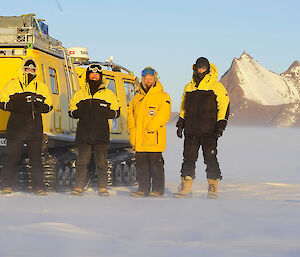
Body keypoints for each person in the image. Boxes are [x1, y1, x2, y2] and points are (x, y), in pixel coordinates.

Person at [173, 57, 230, 199]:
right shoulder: (189, 87)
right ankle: (186, 188)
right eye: (198, 68)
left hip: (209, 131)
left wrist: (220, 126)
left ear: (208, 69)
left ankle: (212, 188)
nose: (201, 70)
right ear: (195, 68)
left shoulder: (216, 86)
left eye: (203, 68)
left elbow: (224, 106)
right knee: (188, 158)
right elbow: (183, 107)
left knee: (210, 158)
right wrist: (181, 124)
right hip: (191, 131)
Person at [0, 58, 53, 194]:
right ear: (23, 69)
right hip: (15, 128)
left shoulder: (41, 87)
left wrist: (39, 106)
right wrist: (14, 105)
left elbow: (49, 105)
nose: (30, 71)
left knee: (36, 159)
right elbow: (2, 101)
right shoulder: (12, 84)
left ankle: (39, 187)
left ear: (36, 71)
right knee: (12, 157)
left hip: (34, 129)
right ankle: (6, 186)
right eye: (27, 68)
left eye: (32, 69)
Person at [69, 63, 120, 196]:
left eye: (97, 74)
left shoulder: (108, 94)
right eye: (91, 74)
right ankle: (78, 187)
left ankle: (103, 188)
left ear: (100, 76)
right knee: (82, 162)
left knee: (102, 162)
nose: (94, 76)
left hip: (101, 134)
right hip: (83, 134)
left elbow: (116, 111)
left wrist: (105, 113)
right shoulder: (80, 93)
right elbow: (71, 110)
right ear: (88, 76)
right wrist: (78, 113)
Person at [127, 67, 171, 197]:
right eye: (145, 79)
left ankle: (158, 190)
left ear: (155, 79)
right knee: (141, 166)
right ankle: (143, 189)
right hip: (139, 139)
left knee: (156, 165)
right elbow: (131, 115)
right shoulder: (137, 97)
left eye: (150, 78)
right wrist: (132, 130)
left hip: (153, 139)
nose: (148, 81)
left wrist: (151, 127)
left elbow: (164, 114)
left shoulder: (163, 96)